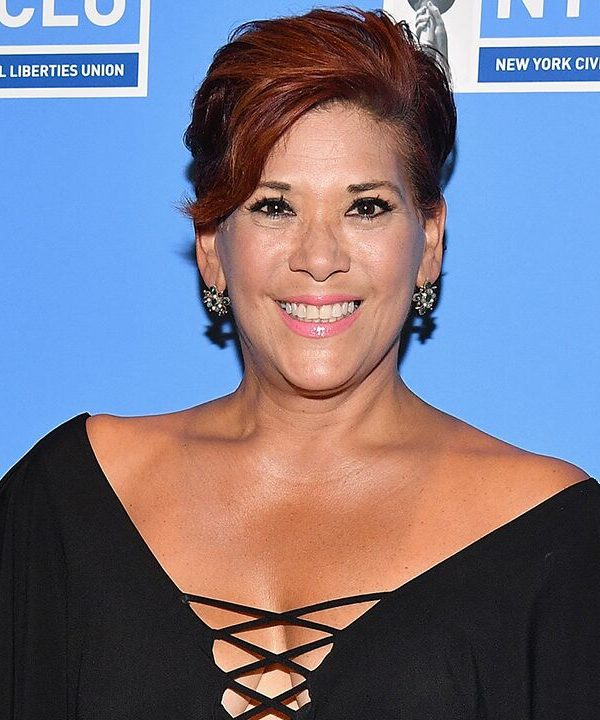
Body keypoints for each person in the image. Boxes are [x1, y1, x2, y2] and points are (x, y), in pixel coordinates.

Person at [1, 7, 599, 720]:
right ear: (211, 244)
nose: (319, 258)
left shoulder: (553, 534)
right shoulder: (68, 501)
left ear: (430, 240)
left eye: (366, 208)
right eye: (274, 207)